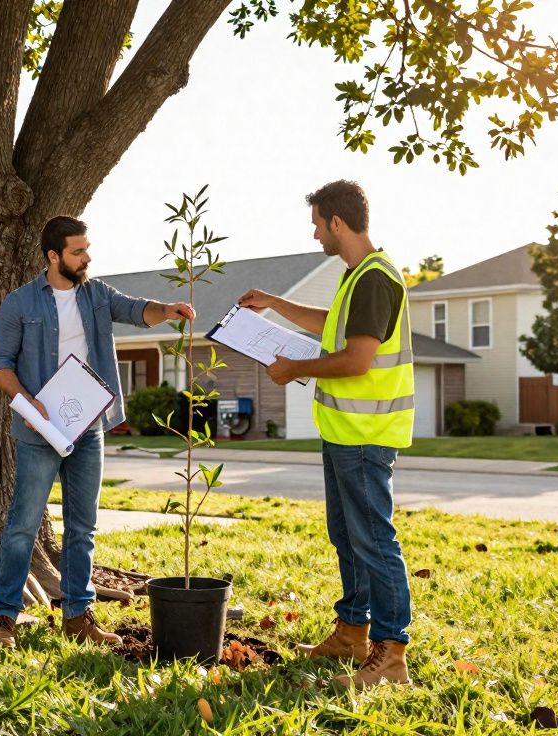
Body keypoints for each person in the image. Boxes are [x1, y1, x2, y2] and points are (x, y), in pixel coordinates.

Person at [0, 215, 195, 650]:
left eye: (87, 249)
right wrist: (30, 401)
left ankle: (78, 615)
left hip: (88, 429)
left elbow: (138, 311)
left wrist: (168, 309)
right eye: (78, 251)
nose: (87, 257)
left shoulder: (98, 296)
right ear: (53, 256)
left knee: (83, 527)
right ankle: (3, 617)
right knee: (23, 525)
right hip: (39, 431)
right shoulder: (20, 303)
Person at [238, 180, 414, 688]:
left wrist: (295, 368)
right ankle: (352, 633)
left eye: (317, 224)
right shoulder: (355, 277)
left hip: (365, 432)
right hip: (344, 431)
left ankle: (390, 654)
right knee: (349, 537)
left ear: (337, 222)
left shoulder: (375, 279)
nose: (314, 234)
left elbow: (358, 360)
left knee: (374, 541)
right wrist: (275, 303)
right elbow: (332, 324)